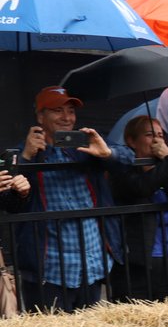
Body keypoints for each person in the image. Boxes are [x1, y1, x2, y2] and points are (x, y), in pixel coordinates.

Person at [6, 86, 120, 312]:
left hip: (92, 263)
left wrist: (109, 154)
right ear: (40, 116)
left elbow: (126, 160)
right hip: (50, 269)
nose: (67, 117)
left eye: (71, 111)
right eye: (58, 111)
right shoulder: (21, 153)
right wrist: (28, 159)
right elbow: (10, 204)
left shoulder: (86, 143)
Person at [107, 117, 168, 301]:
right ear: (131, 141)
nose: (157, 140)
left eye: (160, 135)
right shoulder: (122, 169)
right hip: (135, 263)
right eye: (149, 135)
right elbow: (143, 186)